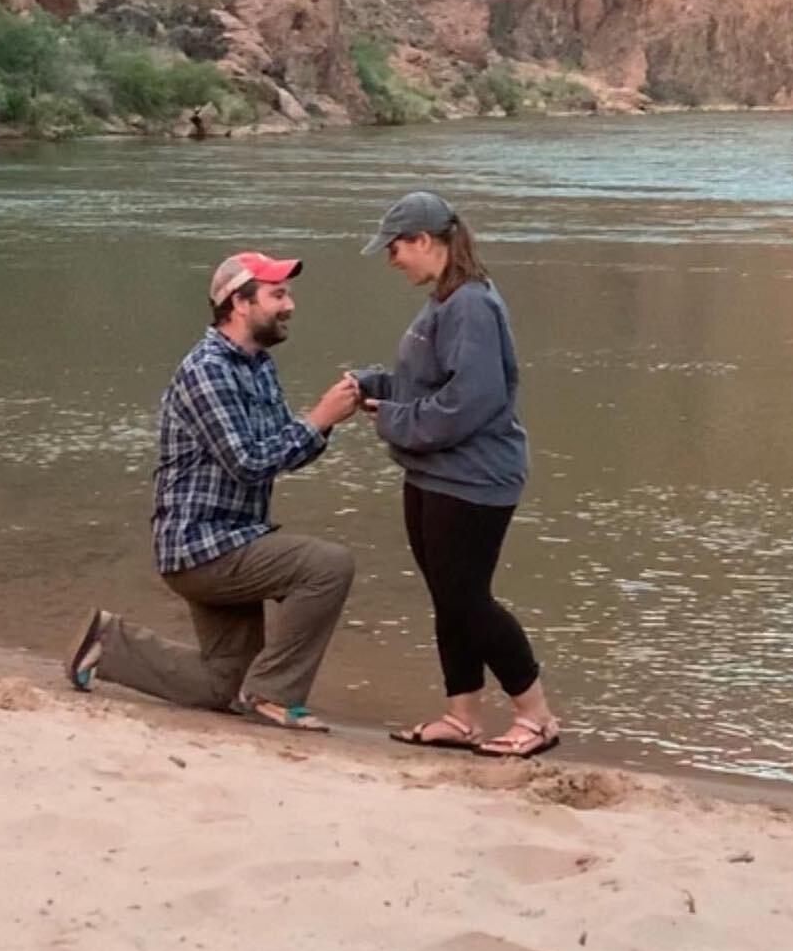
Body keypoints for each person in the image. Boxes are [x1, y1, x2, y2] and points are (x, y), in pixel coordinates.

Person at [66, 250, 360, 733]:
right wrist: (317, 419)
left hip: (235, 538)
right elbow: (248, 463)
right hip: (202, 547)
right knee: (328, 566)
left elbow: (280, 452)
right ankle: (273, 696)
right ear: (240, 304)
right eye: (278, 294)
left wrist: (330, 420)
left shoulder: (256, 366)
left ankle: (106, 642)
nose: (290, 305)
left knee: (220, 685)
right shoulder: (207, 370)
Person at [350, 192, 559, 758]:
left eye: (394, 248)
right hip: (433, 474)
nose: (392, 259)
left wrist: (393, 418)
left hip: (473, 480)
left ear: (424, 241)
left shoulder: (470, 304)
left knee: (468, 600)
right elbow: (432, 386)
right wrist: (375, 386)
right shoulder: (444, 300)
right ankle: (463, 716)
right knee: (449, 598)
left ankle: (536, 717)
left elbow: (472, 400)